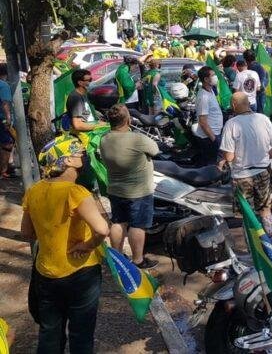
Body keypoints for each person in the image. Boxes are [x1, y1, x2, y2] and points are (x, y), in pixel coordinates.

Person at [21, 136, 110, 353]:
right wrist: (88, 246)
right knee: (81, 335)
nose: (84, 157)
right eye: (79, 153)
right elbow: (102, 229)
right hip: (81, 273)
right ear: (67, 161)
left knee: (50, 332)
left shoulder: (34, 190)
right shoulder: (76, 192)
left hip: (46, 272)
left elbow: (26, 232)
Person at [100, 104, 160, 269]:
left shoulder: (104, 139)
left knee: (118, 222)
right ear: (127, 120)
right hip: (138, 191)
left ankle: (117, 257)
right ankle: (138, 260)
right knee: (137, 225)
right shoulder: (136, 139)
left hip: (115, 189)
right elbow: (155, 150)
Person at [219, 92, 272, 235]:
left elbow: (229, 157)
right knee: (265, 210)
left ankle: (253, 249)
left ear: (234, 105)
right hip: (263, 173)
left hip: (242, 177)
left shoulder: (231, 124)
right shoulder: (263, 119)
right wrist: (264, 158)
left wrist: (225, 158)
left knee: (247, 215)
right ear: (248, 103)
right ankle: (270, 241)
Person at [65, 69, 106, 145]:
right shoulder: (75, 98)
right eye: (89, 80)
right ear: (80, 83)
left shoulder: (84, 93)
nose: (91, 82)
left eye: (91, 79)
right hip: (84, 135)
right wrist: (97, 126)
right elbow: (77, 125)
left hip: (91, 127)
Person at [193, 66, 224, 165]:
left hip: (215, 133)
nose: (215, 77)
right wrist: (214, 139)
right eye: (213, 75)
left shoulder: (210, 91)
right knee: (211, 165)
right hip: (209, 137)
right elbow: (203, 122)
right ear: (206, 79)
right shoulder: (203, 97)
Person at [0, 64, 14, 179]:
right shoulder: (4, 85)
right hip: (2, 119)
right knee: (7, 144)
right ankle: (3, 171)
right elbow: (5, 103)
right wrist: (8, 119)